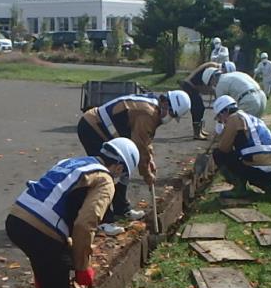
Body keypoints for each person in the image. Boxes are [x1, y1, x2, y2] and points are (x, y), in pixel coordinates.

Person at [7, 138, 139, 288]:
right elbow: (84, 225)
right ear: (118, 167)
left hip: (17, 218)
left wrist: (72, 253)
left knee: (53, 261)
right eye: (123, 174)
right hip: (41, 229)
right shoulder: (105, 180)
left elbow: (62, 208)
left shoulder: (77, 162)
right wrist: (82, 267)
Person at [77, 90, 192, 234]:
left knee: (124, 166)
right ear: (165, 103)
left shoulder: (154, 109)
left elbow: (145, 142)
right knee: (106, 172)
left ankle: (121, 208)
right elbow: (139, 147)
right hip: (92, 127)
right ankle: (105, 220)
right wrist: (147, 175)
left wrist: (150, 161)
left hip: (106, 130)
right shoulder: (148, 114)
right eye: (172, 114)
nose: (169, 118)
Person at [210, 95, 271, 201]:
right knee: (240, 157)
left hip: (258, 168)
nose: (221, 121)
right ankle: (268, 186)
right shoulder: (252, 118)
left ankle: (239, 189)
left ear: (224, 111)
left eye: (219, 118)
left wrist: (221, 131)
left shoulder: (234, 118)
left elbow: (224, 148)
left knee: (218, 154)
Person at [178, 62, 223, 139]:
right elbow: (206, 86)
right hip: (190, 86)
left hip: (193, 87)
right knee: (198, 108)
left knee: (201, 108)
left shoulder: (213, 68)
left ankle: (200, 130)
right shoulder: (212, 66)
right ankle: (196, 133)